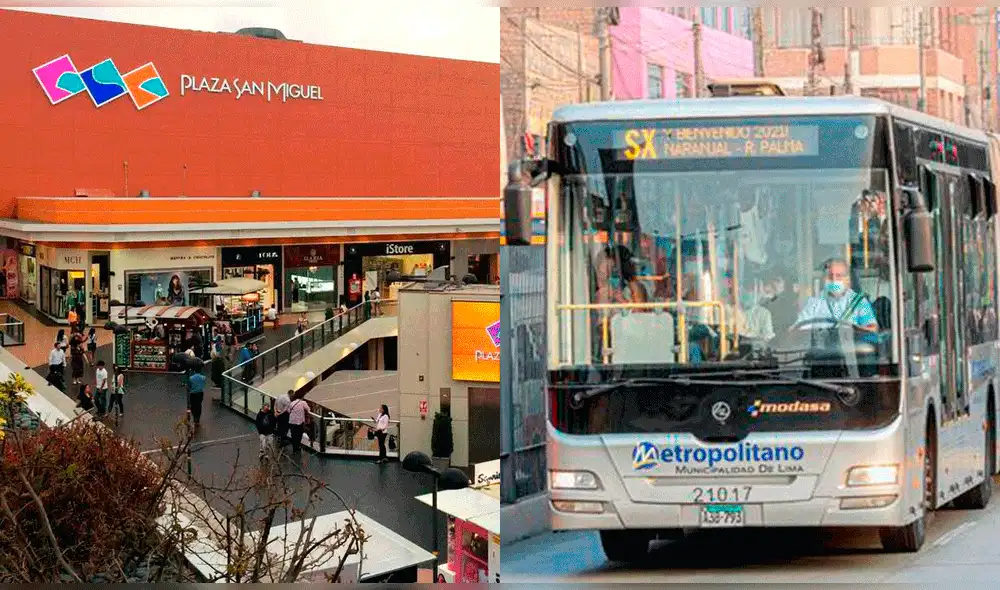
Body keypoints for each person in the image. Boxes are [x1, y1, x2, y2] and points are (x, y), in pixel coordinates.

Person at [795, 258, 877, 332]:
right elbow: (799, 329)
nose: (834, 280)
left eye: (839, 276)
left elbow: (872, 329)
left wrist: (855, 330)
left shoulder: (859, 301)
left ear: (847, 280)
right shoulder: (814, 301)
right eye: (830, 276)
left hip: (851, 343)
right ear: (824, 279)